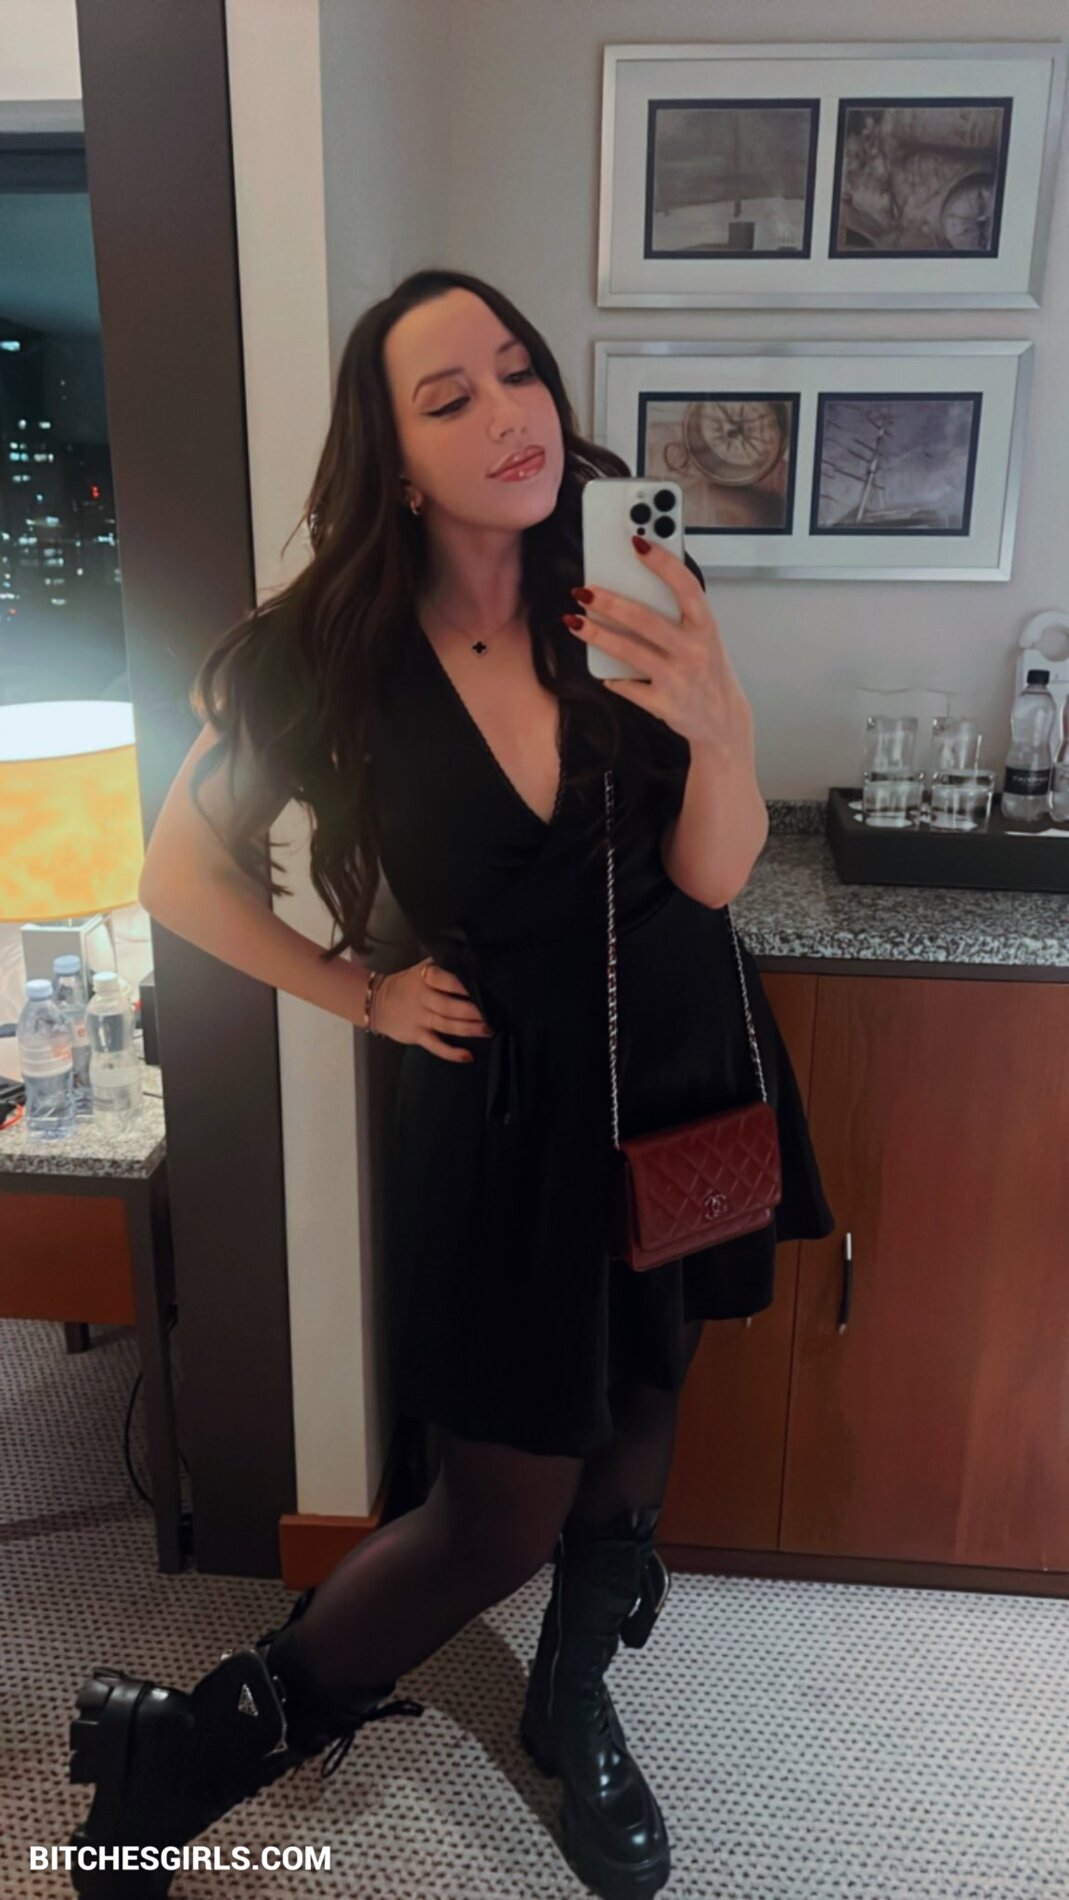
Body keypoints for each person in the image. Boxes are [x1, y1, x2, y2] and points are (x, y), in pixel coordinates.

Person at [68, 269, 835, 1900]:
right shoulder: (326, 654)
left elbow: (711, 877)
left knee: (644, 1394)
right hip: (505, 1111)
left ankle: (572, 1702)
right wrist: (357, 990)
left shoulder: (631, 583)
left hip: (685, 1061)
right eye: (449, 398)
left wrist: (718, 722)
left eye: (518, 372)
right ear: (397, 463)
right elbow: (179, 877)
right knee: (492, 1511)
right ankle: (181, 1756)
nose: (508, 415)